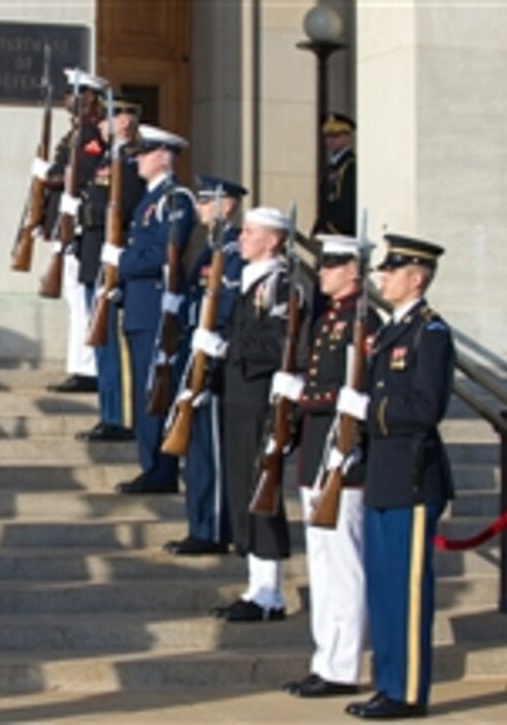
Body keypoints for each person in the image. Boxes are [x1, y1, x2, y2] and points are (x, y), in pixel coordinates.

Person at [339, 235, 453, 719]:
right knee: (383, 590)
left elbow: (427, 407)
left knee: (407, 593)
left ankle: (407, 691)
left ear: (417, 278)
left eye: (392, 270)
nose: (382, 277)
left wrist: (369, 409)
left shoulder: (431, 333)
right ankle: (388, 683)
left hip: (411, 476)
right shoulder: (390, 332)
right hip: (384, 474)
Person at [276, 234, 381, 697]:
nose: (322, 272)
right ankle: (326, 658)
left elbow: (355, 393)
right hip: (317, 452)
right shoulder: (331, 318)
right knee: (321, 562)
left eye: (332, 265)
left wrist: (303, 395)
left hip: (341, 455)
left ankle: (343, 665)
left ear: (353, 271)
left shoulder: (363, 319)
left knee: (342, 565)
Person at [201, 206, 304, 621]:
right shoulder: (253, 281)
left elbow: (279, 343)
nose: (241, 237)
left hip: (260, 398)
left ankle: (270, 593)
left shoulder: (280, 285)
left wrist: (227, 349)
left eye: (249, 232)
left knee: (262, 490)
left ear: (274, 240)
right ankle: (256, 586)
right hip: (238, 395)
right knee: (245, 489)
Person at [102, 124, 194, 495]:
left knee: (156, 391)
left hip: (159, 308)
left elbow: (163, 255)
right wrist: (118, 289)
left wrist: (121, 261)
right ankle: (150, 465)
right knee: (143, 392)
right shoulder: (148, 199)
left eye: (145, 153)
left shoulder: (176, 200)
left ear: (164, 156)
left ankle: (160, 469)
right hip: (140, 307)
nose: (137, 159)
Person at [163, 174, 247, 555]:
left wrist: (212, 345)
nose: (198, 208)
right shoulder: (210, 249)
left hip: (213, 359)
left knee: (209, 447)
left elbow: (227, 307)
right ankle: (201, 522)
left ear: (225, 205)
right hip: (194, 352)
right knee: (197, 446)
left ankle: (211, 528)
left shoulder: (232, 252)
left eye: (205, 201)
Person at [75, 96, 144, 440]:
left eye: (112, 117)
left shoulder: (129, 163)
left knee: (111, 345)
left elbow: (122, 209)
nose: (104, 123)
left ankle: (119, 415)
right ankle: (108, 412)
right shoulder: (106, 158)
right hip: (93, 259)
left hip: (111, 261)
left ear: (126, 124)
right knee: (101, 345)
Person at [43, 70, 104, 394]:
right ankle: (79, 365)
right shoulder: (74, 134)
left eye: (74, 94)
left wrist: (50, 173)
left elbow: (81, 173)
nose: (67, 100)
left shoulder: (91, 133)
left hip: (79, 225)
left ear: (88, 99)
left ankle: (87, 368)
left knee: (82, 300)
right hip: (65, 224)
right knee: (73, 297)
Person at [312, 112, 356, 236]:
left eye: (335, 135)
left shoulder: (350, 166)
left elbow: (348, 204)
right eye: (327, 136)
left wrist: (335, 229)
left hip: (341, 235)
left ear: (348, 137)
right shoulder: (332, 167)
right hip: (328, 233)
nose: (330, 140)